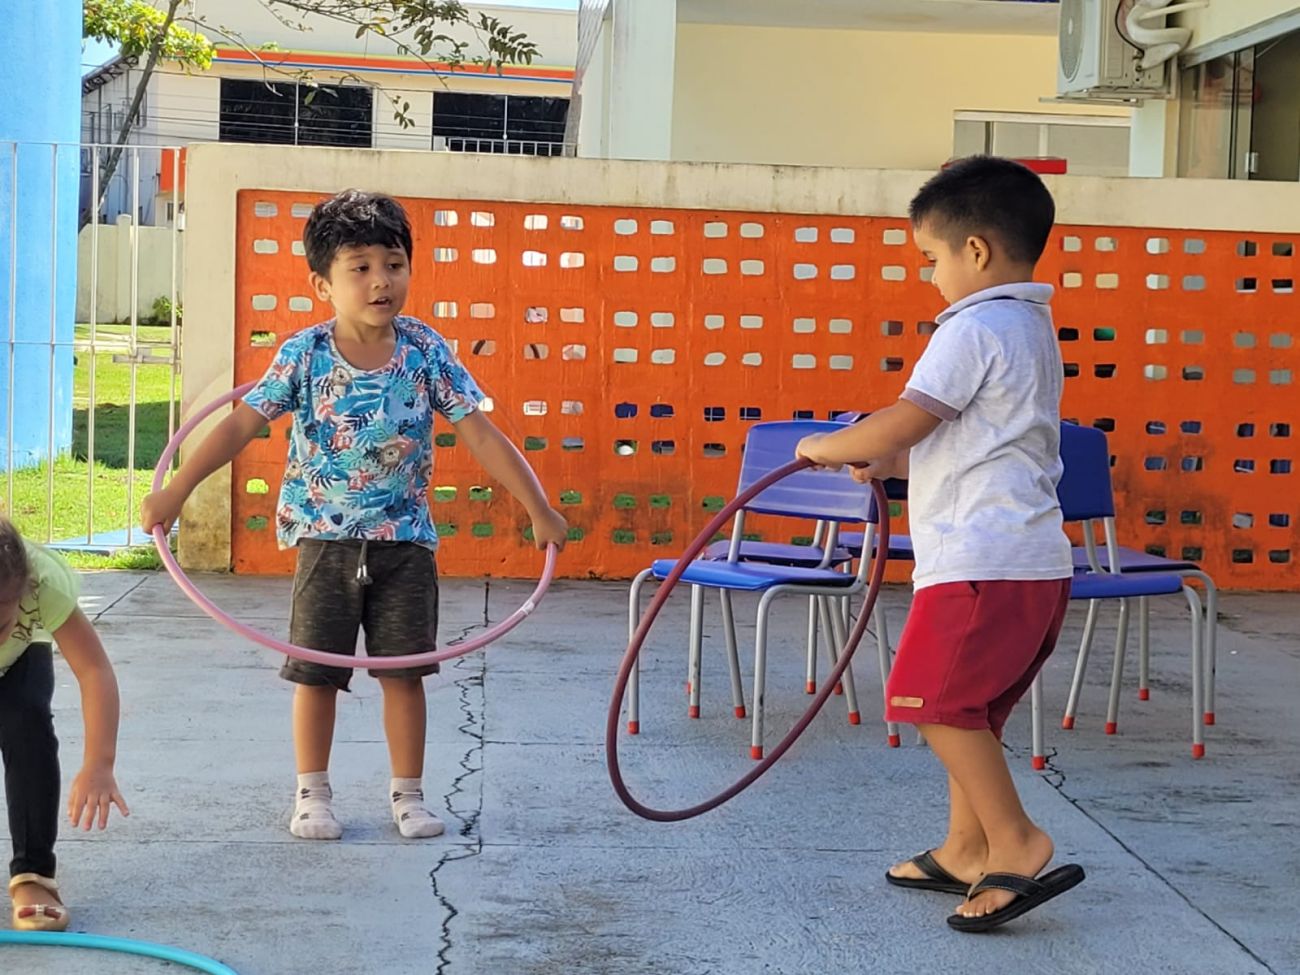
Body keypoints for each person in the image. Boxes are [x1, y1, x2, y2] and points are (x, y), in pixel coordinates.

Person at [142, 190, 567, 841]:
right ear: (322, 283)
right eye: (360, 267)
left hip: (406, 544)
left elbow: (480, 432)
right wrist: (177, 490)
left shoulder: (425, 349)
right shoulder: (304, 354)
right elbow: (241, 426)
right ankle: (312, 792)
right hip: (326, 541)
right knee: (315, 673)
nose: (380, 281)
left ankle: (410, 794)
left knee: (405, 673)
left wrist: (538, 506)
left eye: (393, 264)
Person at [795, 157, 1084, 932]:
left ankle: (1015, 840)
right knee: (970, 711)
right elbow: (970, 435)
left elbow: (913, 414)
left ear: (977, 252)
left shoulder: (974, 325)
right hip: (1024, 563)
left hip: (985, 563)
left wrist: (836, 443)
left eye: (932, 258)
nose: (930, 276)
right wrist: (889, 460)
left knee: (932, 701)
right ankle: (965, 845)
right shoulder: (1028, 326)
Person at [0, 518, 129, 930]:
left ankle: (33, 875)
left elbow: (94, 671)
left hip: (22, 651)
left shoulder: (43, 584)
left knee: (26, 719)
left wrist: (99, 763)